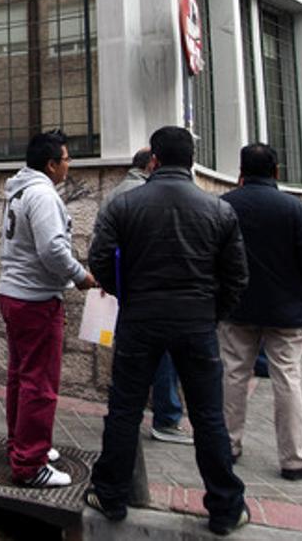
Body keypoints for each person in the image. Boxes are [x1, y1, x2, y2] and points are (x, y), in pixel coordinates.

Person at [86, 126, 249, 535]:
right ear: (191, 161)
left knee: (124, 409)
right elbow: (236, 276)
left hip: (140, 317)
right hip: (196, 321)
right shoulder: (219, 210)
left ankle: (111, 495)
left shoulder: (125, 205)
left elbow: (101, 259)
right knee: (209, 416)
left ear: (154, 160)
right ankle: (226, 508)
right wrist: (211, 313)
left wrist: (127, 295)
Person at [219, 143, 302, 483]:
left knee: (234, 374)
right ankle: (293, 458)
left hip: (237, 306)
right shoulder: (294, 209)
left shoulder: (225, 206)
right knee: (288, 379)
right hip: (286, 309)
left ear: (241, 171)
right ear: (276, 171)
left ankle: (228, 445)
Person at [0, 130, 97, 488]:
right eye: (67, 159)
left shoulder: (20, 191)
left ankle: (22, 443)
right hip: (34, 299)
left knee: (21, 378)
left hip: (16, 294)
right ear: (51, 164)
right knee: (38, 382)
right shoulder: (41, 194)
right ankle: (29, 463)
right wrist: (81, 276)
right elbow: (53, 250)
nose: (69, 165)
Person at [103, 147, 192, 445]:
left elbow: (101, 245)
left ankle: (123, 418)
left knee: (128, 357)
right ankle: (166, 418)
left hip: (126, 291)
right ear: (152, 164)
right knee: (164, 356)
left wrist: (112, 283)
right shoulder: (150, 196)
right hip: (155, 292)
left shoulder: (115, 194)